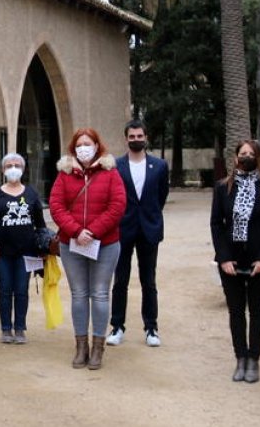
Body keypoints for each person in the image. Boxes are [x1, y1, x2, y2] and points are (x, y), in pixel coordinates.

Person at [49, 127, 126, 371]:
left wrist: (92, 231)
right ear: (73, 148)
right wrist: (76, 231)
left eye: (88, 143)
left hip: (105, 243)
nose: (83, 148)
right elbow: (56, 205)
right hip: (72, 244)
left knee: (101, 294)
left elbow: (117, 205)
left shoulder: (110, 172)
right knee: (79, 294)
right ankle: (80, 345)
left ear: (96, 146)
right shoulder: (64, 174)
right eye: (79, 144)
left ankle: (98, 347)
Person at [211, 139, 260, 384]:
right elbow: (216, 224)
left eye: (252, 154)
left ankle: (254, 359)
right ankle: (240, 358)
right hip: (230, 260)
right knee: (236, 311)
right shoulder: (222, 188)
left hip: (259, 261)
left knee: (258, 310)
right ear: (235, 158)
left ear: (259, 158)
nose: (247, 157)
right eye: (243, 153)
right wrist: (223, 258)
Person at [107, 119, 170, 348]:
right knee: (120, 280)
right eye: (132, 137)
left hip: (149, 229)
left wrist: (150, 216)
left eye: (139, 136)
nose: (136, 140)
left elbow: (161, 195)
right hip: (123, 229)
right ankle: (117, 327)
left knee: (149, 280)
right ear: (126, 139)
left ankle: (151, 328)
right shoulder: (115, 165)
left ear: (146, 137)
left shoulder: (159, 166)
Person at [0, 152, 45, 345]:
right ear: (2, 170)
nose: (13, 169)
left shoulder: (31, 193)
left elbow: (40, 224)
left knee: (22, 290)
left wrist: (43, 246)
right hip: (2, 253)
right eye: (9, 166)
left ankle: (20, 328)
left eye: (17, 165)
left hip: (26, 252)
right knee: (5, 290)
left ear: (23, 169)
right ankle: (6, 328)